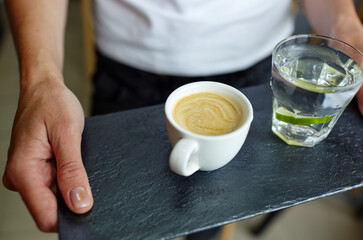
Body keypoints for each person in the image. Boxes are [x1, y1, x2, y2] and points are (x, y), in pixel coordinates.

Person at [2, 0, 363, 235]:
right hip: (129, 69)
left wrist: (346, 25)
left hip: (257, 70)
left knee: (209, 219)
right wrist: (40, 81)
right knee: (114, 222)